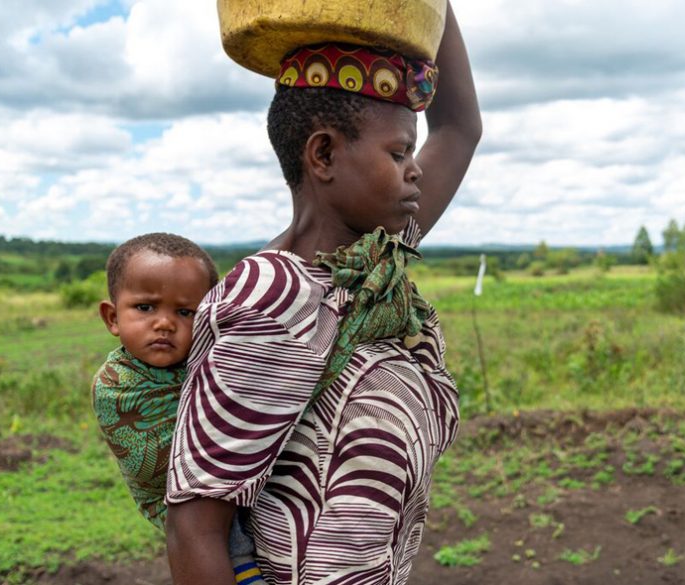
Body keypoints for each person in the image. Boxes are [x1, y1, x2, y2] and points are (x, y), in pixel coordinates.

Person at [165, 2, 481, 584]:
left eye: (411, 153)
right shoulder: (272, 300)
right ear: (324, 155)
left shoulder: (368, 265)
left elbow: (461, 129)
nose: (414, 170)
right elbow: (195, 528)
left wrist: (436, 8)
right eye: (397, 153)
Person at [91, 233, 262, 585]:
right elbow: (174, 454)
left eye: (185, 312)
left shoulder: (200, 362)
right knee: (225, 542)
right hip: (179, 505)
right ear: (112, 317)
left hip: (234, 491)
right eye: (145, 307)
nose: (165, 323)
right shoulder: (116, 384)